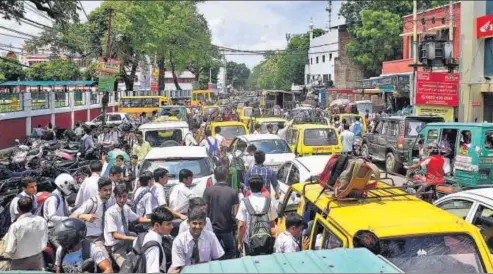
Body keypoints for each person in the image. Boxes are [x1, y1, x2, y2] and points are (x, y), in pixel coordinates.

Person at [104, 184, 150, 267]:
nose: (122, 200)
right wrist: (133, 239)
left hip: (126, 242)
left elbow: (138, 219)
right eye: (119, 197)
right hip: (115, 247)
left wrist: (153, 220)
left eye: (124, 196)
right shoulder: (110, 213)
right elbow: (115, 235)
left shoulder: (125, 208)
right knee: (128, 268)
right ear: (115, 197)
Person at [203, 166, 239, 259]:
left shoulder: (208, 191)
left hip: (212, 228)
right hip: (227, 228)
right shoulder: (233, 192)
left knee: (213, 253)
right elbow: (235, 214)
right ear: (226, 176)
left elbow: (204, 210)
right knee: (230, 251)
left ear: (214, 177)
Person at [236, 175, 277, 256]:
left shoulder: (245, 202)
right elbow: (272, 224)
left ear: (249, 187)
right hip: (266, 241)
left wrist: (239, 242)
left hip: (250, 242)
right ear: (262, 186)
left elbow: (241, 226)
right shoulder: (269, 202)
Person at [4, 197, 48, 270]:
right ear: (31, 207)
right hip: (38, 259)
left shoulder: (16, 226)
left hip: (19, 263)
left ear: (18, 209)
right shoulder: (42, 220)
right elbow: (45, 240)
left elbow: (10, 249)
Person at [71, 177, 116, 245]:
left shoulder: (111, 201)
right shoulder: (92, 203)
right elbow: (71, 216)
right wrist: (83, 216)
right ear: (99, 190)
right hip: (92, 238)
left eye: (110, 189)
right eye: (105, 190)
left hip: (106, 236)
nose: (108, 192)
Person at [133, 206, 174, 273]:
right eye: (168, 224)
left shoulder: (142, 236)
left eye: (171, 223)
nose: (172, 227)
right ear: (157, 225)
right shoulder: (154, 248)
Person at [43, 173, 77, 249]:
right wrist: (67, 219)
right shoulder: (53, 198)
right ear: (63, 184)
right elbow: (52, 217)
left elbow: (66, 211)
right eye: (70, 187)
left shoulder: (61, 196)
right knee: (61, 249)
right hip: (52, 230)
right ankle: (58, 261)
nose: (70, 189)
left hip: (61, 227)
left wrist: (76, 210)